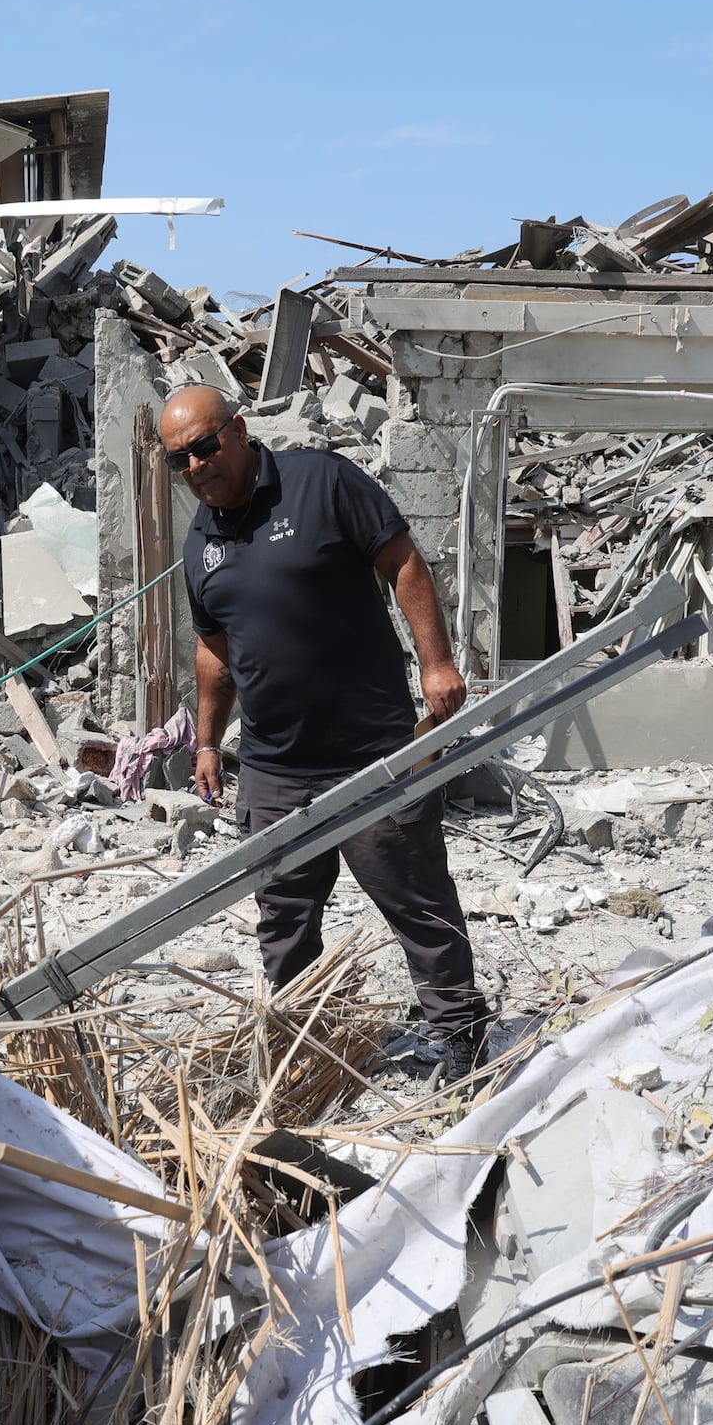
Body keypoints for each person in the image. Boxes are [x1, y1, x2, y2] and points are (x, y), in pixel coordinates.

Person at [163, 383, 494, 1082]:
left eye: (203, 447)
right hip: (274, 769)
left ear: (239, 430)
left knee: (417, 902)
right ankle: (307, 1050)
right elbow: (214, 650)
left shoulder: (322, 482)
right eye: (177, 460)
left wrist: (437, 663)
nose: (194, 467)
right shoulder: (200, 544)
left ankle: (462, 1037)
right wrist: (206, 741)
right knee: (283, 923)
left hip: (372, 756)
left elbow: (403, 562)